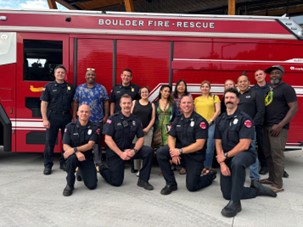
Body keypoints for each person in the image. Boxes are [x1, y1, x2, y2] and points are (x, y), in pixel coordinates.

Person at [215, 88, 277, 218]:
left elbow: (244, 145)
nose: (229, 100)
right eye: (226, 98)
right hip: (227, 156)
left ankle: (236, 204)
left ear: (238, 100)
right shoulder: (220, 119)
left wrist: (225, 156)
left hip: (245, 154)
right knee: (227, 194)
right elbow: (218, 142)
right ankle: (255, 190)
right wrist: (222, 162)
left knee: (237, 162)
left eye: (232, 98)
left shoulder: (245, 119)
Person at [156, 95, 216, 195]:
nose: (186, 105)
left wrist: (179, 151)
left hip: (195, 157)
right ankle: (171, 184)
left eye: (189, 103)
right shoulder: (178, 119)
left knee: (192, 187)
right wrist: (173, 152)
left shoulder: (200, 121)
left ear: (193, 104)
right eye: (184, 103)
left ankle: (210, 175)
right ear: (180, 105)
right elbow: (171, 137)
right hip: (180, 154)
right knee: (161, 152)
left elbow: (199, 145)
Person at [100, 94, 154, 190]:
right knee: (116, 182)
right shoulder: (113, 119)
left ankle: (143, 180)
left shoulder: (136, 120)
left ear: (131, 104)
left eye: (129, 103)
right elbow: (107, 139)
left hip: (129, 149)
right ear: (120, 104)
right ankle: (101, 167)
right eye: (124, 103)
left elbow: (141, 138)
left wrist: (134, 150)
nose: (127, 105)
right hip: (115, 152)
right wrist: (120, 154)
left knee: (148, 151)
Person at [260, 65, 298, 193]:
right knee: (268, 154)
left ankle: (278, 184)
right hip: (267, 126)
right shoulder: (270, 88)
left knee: (277, 155)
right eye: (272, 73)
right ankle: (271, 178)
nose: (274, 75)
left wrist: (280, 125)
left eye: (276, 73)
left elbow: (294, 108)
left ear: (282, 74)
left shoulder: (287, 89)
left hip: (278, 128)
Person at [40, 65, 75, 175]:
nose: (60, 74)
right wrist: (45, 119)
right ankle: (48, 165)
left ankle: (64, 163)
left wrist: (74, 116)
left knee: (66, 141)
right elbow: (44, 104)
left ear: (65, 74)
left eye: (62, 73)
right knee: (50, 142)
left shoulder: (70, 87)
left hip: (66, 117)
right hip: (52, 117)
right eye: (58, 72)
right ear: (55, 74)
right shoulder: (48, 87)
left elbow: (74, 104)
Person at [73, 67, 109, 167]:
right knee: (82, 140)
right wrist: (74, 116)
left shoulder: (101, 88)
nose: (90, 76)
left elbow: (106, 102)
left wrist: (106, 115)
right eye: (88, 74)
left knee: (96, 141)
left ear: (95, 76)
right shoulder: (79, 88)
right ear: (85, 76)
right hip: (82, 120)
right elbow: (75, 102)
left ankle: (98, 161)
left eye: (92, 75)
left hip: (97, 120)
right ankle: (82, 161)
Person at [62, 104, 98, 196]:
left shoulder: (94, 127)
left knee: (92, 185)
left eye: (86, 112)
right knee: (71, 159)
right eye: (81, 111)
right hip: (74, 156)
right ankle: (69, 184)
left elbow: (90, 145)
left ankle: (80, 172)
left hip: (87, 157)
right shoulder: (70, 126)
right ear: (77, 113)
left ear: (90, 114)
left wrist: (74, 149)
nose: (84, 114)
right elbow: (65, 145)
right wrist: (77, 152)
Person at [237, 74, 264, 186]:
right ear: (237, 84)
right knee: (237, 152)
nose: (242, 83)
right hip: (236, 129)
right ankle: (238, 177)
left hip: (249, 129)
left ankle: (255, 178)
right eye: (240, 82)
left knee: (251, 151)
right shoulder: (236, 95)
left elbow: (261, 111)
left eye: (244, 81)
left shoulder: (255, 94)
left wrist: (252, 124)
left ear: (248, 83)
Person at [194, 80, 221, 175]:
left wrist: (211, 120)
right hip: (199, 126)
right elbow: (194, 112)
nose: (205, 88)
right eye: (203, 86)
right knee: (198, 146)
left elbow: (218, 111)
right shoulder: (196, 99)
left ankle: (207, 167)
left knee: (209, 147)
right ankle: (198, 167)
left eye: (207, 86)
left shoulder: (214, 97)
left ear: (209, 88)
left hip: (210, 125)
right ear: (200, 88)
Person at [131, 86, 156, 173]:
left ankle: (144, 169)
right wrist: (137, 129)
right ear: (140, 94)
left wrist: (147, 128)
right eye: (143, 92)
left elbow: (153, 118)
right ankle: (138, 168)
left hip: (147, 131)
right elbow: (130, 115)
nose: (144, 94)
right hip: (135, 131)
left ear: (149, 93)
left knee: (146, 150)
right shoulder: (134, 102)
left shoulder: (151, 105)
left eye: (146, 92)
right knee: (136, 149)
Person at [252, 69, 270, 175]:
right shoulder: (253, 90)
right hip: (259, 121)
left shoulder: (271, 88)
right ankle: (264, 165)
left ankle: (277, 168)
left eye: (260, 74)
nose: (258, 76)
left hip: (271, 120)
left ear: (264, 76)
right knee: (262, 145)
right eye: (256, 75)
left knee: (272, 145)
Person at [173, 80, 191, 175]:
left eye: (183, 85)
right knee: (176, 142)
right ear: (176, 86)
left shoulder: (188, 95)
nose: (181, 87)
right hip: (175, 121)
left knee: (185, 142)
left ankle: (184, 166)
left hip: (186, 121)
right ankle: (175, 163)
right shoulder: (172, 96)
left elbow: (192, 107)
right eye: (179, 85)